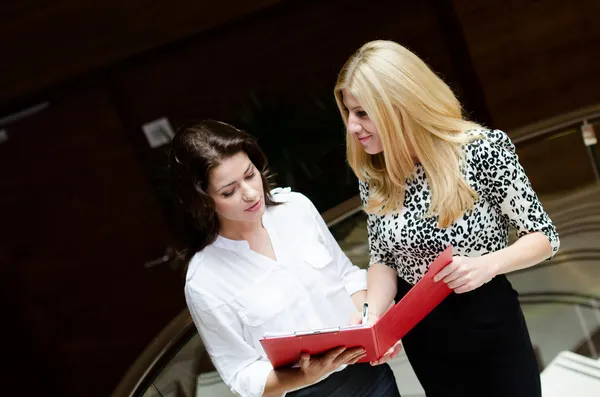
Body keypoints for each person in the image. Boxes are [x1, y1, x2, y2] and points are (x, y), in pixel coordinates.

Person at [334, 40, 559, 397]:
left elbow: (544, 237)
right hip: (422, 333)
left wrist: (486, 265)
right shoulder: (375, 172)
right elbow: (383, 259)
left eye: (362, 113)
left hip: (486, 321)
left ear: (399, 107)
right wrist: (373, 316)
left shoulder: (481, 149)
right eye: (348, 113)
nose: (352, 127)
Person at [170, 120, 401, 397]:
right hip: (302, 392)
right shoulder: (205, 280)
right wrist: (302, 375)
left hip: (369, 374)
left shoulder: (296, 208)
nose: (251, 193)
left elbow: (346, 275)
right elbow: (240, 373)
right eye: (229, 191)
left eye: (250, 174)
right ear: (202, 201)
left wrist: (373, 326)